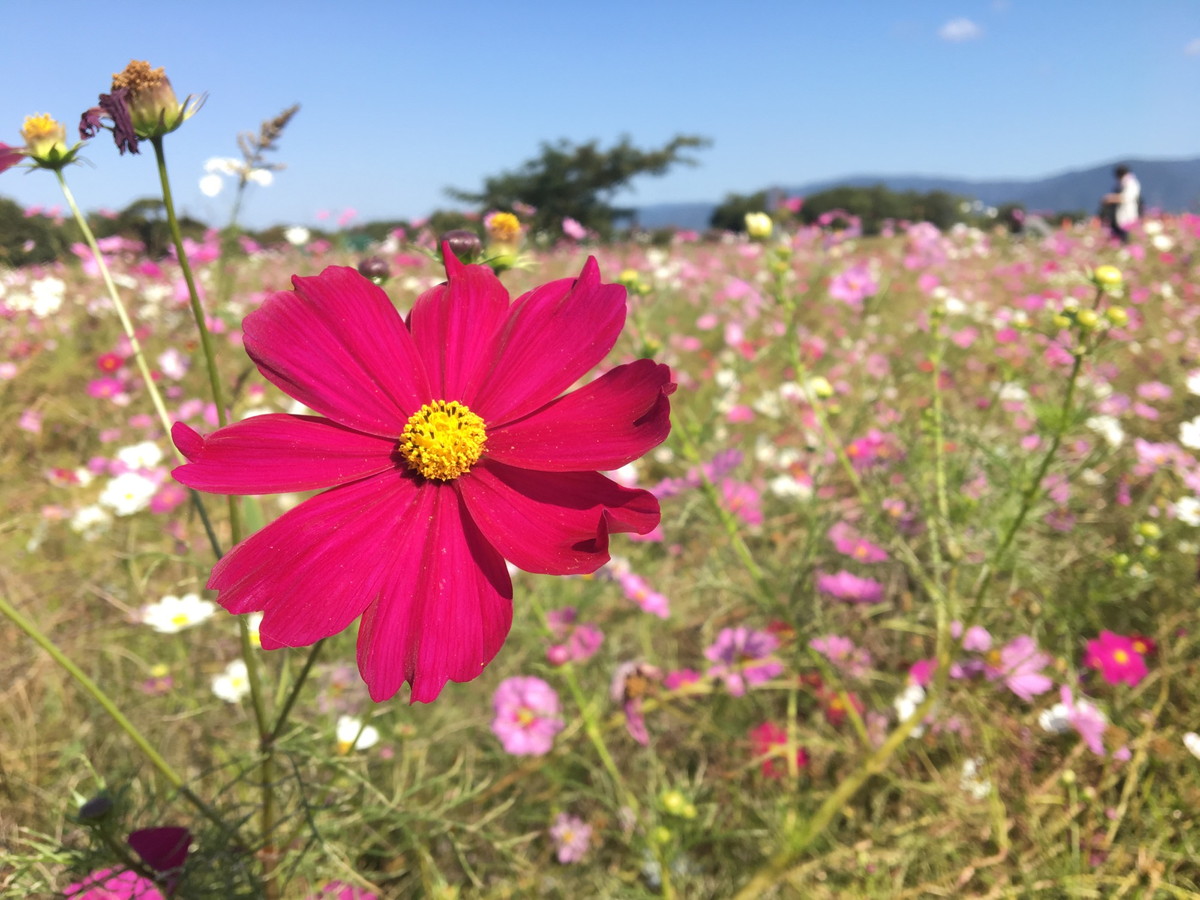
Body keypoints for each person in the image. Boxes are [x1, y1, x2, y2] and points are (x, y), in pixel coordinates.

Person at [1102, 164, 1141, 244]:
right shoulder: (1121, 183)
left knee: (1125, 236)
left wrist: (1111, 198)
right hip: (1119, 215)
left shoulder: (1130, 183)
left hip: (1127, 213)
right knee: (1119, 235)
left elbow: (1127, 197)